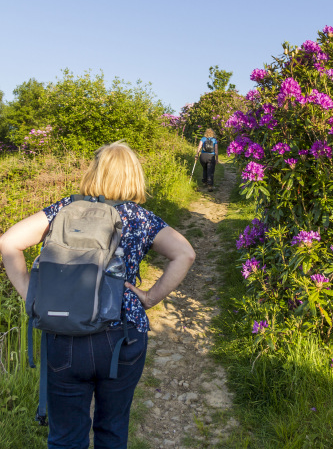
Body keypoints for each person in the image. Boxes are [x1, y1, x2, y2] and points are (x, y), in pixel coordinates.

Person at [0, 141, 195, 449]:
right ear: (134, 176)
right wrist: (149, 297)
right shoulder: (140, 217)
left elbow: (8, 242)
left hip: (65, 334)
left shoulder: (64, 209)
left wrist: (30, 294)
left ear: (94, 171)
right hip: (122, 335)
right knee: (112, 430)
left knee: (65, 438)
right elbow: (185, 253)